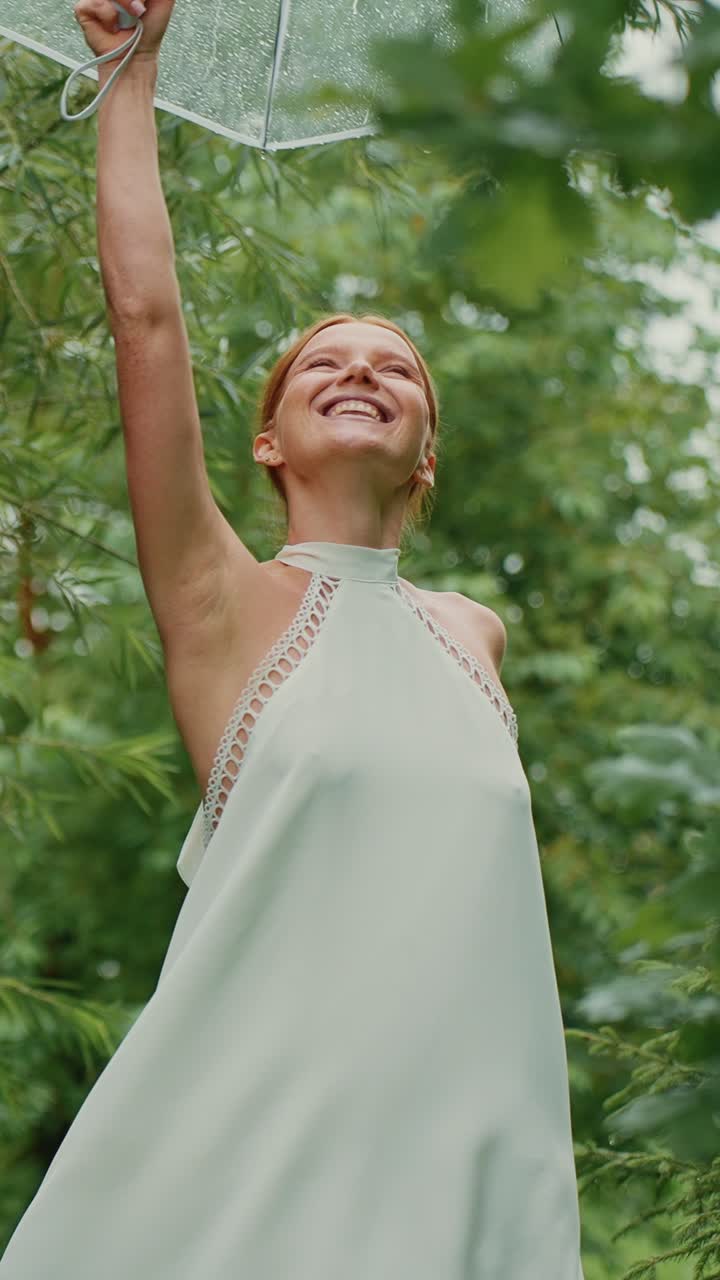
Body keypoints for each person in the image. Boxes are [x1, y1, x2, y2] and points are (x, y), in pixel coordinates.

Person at [0, 2, 585, 1277]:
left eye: (398, 364)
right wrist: (129, 76)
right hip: (247, 1165)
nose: (363, 366)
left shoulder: (473, 637)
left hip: (458, 1169)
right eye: (325, 358)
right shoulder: (225, 603)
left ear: (427, 452)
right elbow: (146, 318)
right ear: (266, 440)